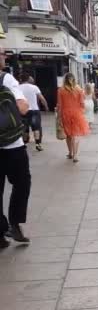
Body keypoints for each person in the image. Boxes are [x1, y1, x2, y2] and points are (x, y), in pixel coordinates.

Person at [0, 52, 32, 247]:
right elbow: (22, 108)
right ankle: (14, 223)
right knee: (22, 183)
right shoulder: (6, 78)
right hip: (11, 144)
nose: (4, 55)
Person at [57, 73, 89, 163]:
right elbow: (82, 103)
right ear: (74, 79)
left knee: (68, 135)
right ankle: (75, 155)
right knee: (75, 134)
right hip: (77, 114)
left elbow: (60, 105)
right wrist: (82, 112)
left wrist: (59, 116)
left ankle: (70, 153)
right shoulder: (79, 89)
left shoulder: (61, 90)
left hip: (65, 114)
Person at [19, 73, 48, 151]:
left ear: (20, 79)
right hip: (34, 110)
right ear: (28, 79)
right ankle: (38, 144)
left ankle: (24, 144)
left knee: (25, 128)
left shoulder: (18, 88)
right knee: (36, 128)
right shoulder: (34, 87)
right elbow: (42, 98)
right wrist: (46, 106)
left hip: (23, 111)